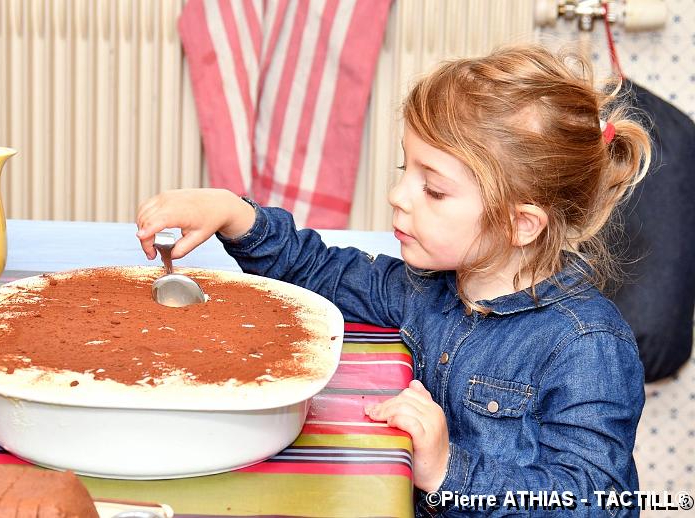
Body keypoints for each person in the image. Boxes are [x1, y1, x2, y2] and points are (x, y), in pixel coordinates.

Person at [136, 44, 651, 517]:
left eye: (434, 190)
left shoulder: (587, 346)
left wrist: (448, 469)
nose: (398, 196)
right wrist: (235, 215)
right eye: (406, 170)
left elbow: (591, 501)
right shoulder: (425, 286)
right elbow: (321, 270)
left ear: (521, 223)